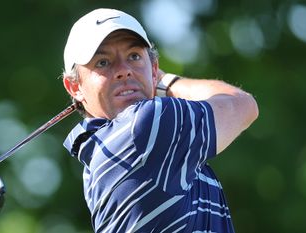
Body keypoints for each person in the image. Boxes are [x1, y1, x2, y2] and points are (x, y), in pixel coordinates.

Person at [61, 8, 258, 233]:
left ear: (152, 68)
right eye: (103, 62)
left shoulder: (97, 150)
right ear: (75, 87)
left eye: (134, 56)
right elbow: (242, 105)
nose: (123, 71)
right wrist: (165, 81)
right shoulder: (147, 124)